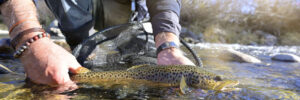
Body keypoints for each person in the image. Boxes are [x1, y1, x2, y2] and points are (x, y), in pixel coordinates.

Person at [0, 0, 194, 92]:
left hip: (126, 7)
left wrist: (168, 47)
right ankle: (83, 51)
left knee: (139, 52)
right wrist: (29, 39)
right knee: (85, 57)